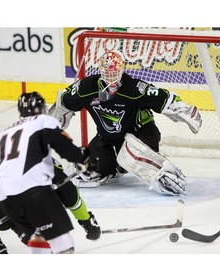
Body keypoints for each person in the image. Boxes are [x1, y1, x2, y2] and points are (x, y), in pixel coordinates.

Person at [50, 50, 202, 195]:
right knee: (86, 173)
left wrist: (185, 111)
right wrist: (49, 128)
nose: (111, 77)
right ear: (100, 70)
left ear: (122, 70)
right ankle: (115, 168)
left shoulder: (134, 88)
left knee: (130, 154)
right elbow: (63, 102)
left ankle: (162, 172)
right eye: (107, 73)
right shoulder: (86, 88)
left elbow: (164, 98)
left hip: (141, 133)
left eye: (114, 72)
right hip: (108, 139)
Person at [0, 92, 98, 254]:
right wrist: (84, 158)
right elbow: (63, 146)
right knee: (62, 244)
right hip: (34, 195)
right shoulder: (43, 121)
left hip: (5, 202)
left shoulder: (5, 134)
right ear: (42, 108)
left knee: (41, 245)